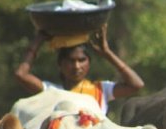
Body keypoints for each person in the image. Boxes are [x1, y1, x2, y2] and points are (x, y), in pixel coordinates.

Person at [14, 24, 144, 114]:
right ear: (60, 64)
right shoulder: (51, 91)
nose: (77, 66)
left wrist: (107, 53)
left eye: (82, 60)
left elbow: (136, 84)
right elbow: (21, 74)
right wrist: (38, 41)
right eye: (71, 61)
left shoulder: (100, 90)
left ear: (89, 63)